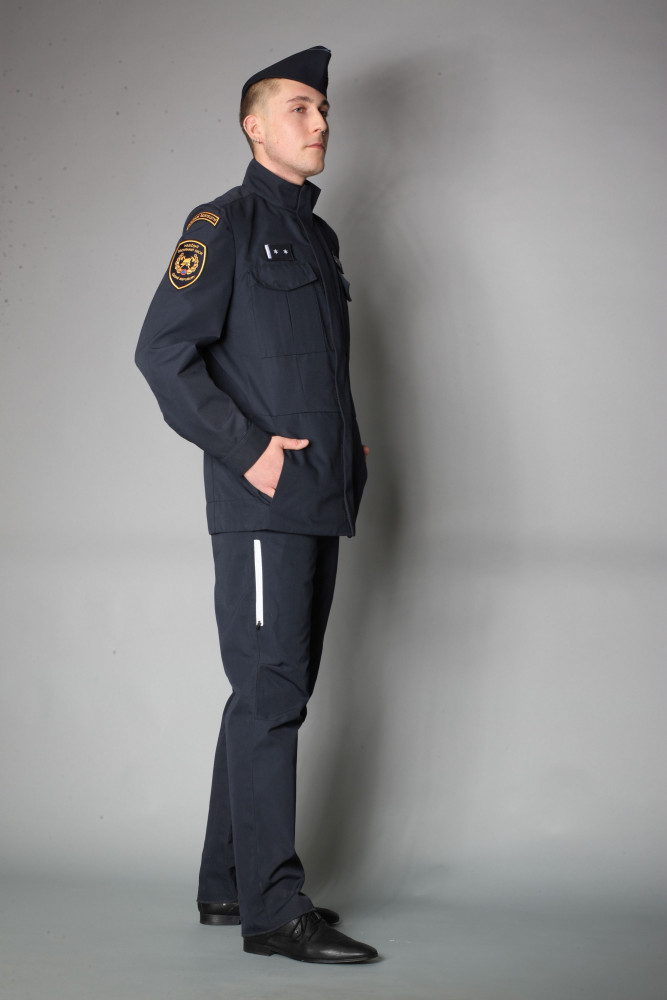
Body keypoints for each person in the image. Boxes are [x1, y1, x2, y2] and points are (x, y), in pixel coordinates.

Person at [135, 45, 377, 964]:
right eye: (299, 108)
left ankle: (228, 882)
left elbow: (309, 370)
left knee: (273, 692)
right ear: (253, 126)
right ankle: (276, 913)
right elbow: (162, 353)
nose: (319, 122)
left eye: (324, 109)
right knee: (272, 692)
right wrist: (250, 453)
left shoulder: (318, 237)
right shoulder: (222, 223)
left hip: (322, 495)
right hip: (262, 501)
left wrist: (346, 449)